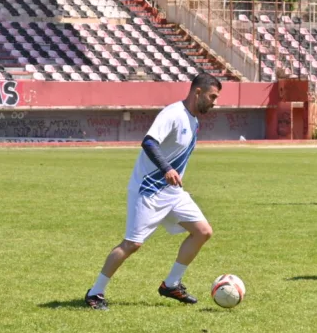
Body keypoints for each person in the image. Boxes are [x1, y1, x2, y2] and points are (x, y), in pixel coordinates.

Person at [85, 73, 222, 310]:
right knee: (132, 244)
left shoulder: (193, 121)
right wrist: (167, 168)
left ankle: (171, 284)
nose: (214, 102)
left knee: (202, 231)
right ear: (198, 92)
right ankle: (95, 293)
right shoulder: (173, 114)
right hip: (148, 190)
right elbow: (149, 142)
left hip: (173, 193)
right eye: (212, 96)